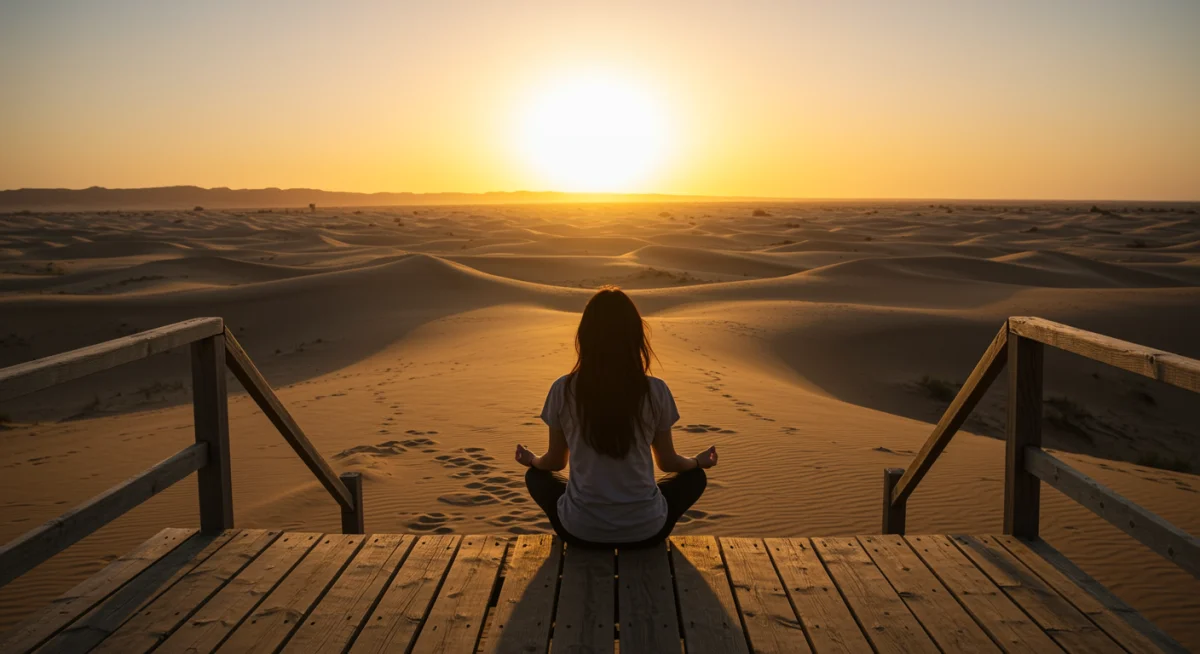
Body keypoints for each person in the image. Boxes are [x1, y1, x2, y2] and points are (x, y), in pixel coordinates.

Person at [515, 286, 717, 548]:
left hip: (579, 532)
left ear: (585, 337)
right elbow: (667, 462)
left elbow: (555, 462)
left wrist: (531, 460)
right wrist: (698, 462)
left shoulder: (562, 389)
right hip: (646, 532)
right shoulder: (655, 390)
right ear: (635, 337)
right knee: (695, 478)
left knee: (535, 476)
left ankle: (587, 517)